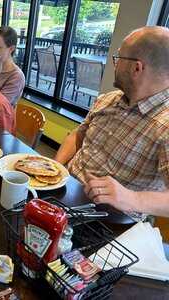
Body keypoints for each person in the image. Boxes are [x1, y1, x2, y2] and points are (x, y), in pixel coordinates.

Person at [54, 26, 169, 218]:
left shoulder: (164, 125)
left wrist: (132, 198)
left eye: (118, 58)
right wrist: (55, 169)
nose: (114, 65)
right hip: (66, 190)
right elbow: (78, 135)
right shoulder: (108, 99)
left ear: (136, 68)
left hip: (108, 219)